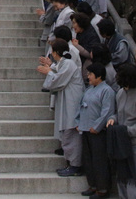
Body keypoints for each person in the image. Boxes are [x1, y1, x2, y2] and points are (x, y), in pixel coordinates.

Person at [36, 39, 84, 177]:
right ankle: (71, 163)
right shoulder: (64, 63)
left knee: (71, 133)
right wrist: (50, 66)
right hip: (67, 101)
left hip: (72, 103)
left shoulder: (68, 63)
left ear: (56, 52)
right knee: (67, 132)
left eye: (52, 51)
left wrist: (48, 72)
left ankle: (75, 165)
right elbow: (58, 71)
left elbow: (58, 80)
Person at [106, 63, 136, 199]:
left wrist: (128, 131)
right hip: (122, 143)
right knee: (123, 176)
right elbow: (118, 113)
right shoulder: (120, 93)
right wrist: (112, 119)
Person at [75, 63, 115, 199]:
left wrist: (97, 127)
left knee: (99, 160)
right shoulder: (89, 89)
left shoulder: (107, 91)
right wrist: (78, 122)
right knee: (88, 159)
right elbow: (81, 106)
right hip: (85, 128)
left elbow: (107, 111)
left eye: (90, 74)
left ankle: (102, 188)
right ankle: (92, 185)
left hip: (98, 132)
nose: (88, 76)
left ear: (99, 76)